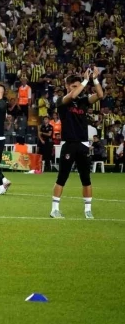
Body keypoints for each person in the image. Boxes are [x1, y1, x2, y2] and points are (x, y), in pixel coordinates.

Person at [51, 68, 104, 219]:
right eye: (74, 86)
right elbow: (73, 95)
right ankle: (54, 209)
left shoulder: (82, 101)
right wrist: (85, 81)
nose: (77, 89)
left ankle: (88, 210)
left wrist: (94, 79)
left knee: (86, 178)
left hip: (83, 144)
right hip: (69, 144)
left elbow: (100, 95)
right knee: (62, 177)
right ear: (67, 86)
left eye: (78, 86)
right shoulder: (61, 101)